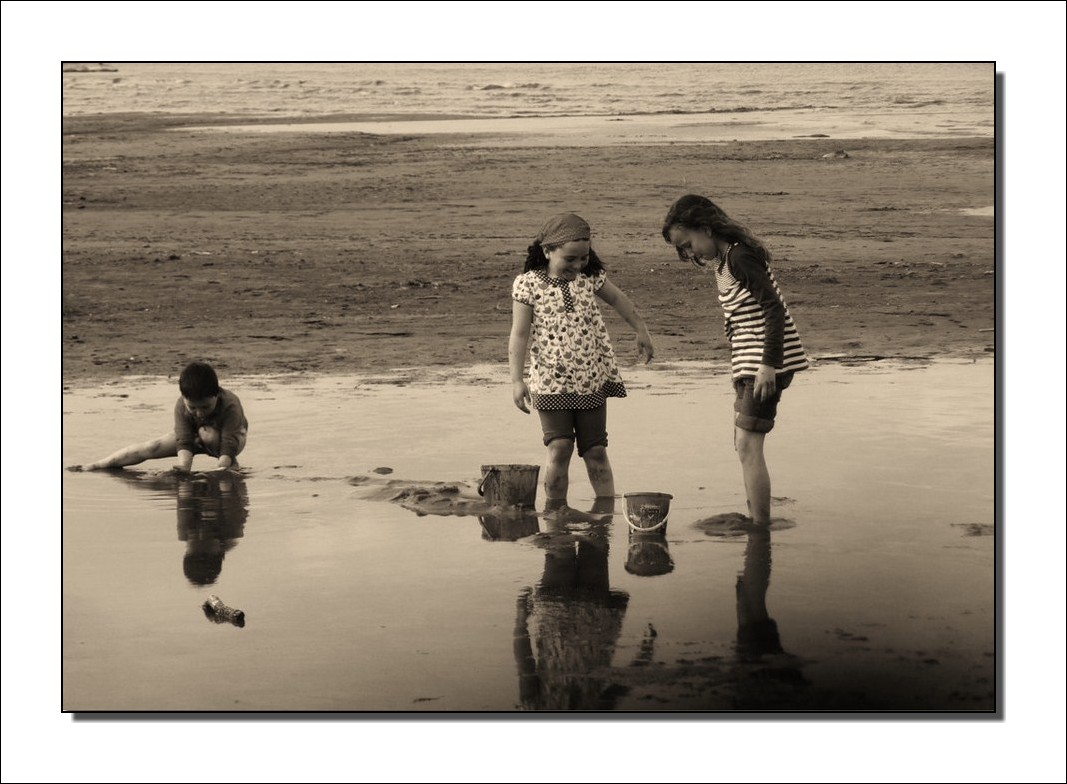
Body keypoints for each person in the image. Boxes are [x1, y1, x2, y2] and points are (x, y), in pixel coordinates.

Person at [662, 195, 808, 526]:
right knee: (743, 443)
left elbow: (774, 308)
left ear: (705, 228)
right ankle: (759, 518)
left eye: (688, 244)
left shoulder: (740, 257)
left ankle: (760, 527)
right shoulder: (724, 261)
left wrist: (769, 364)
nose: (689, 254)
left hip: (764, 364)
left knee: (747, 444)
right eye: (681, 251)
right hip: (749, 362)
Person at [508, 212, 654, 505]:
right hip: (550, 382)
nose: (577, 266)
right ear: (547, 251)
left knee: (596, 450)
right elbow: (519, 334)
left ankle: (605, 516)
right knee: (560, 447)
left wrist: (642, 330)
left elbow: (618, 299)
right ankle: (555, 514)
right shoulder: (527, 284)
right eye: (570, 259)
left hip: (591, 378)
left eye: (583, 258)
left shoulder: (591, 277)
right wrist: (516, 380)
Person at [69, 360, 248, 472]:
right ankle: (98, 464)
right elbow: (184, 439)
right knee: (151, 447)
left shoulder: (230, 404)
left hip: (230, 439)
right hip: (193, 437)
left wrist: (223, 466)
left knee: (207, 433)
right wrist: (184, 468)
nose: (199, 413)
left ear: (216, 395)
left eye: (206, 407)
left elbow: (230, 441)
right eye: (193, 407)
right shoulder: (181, 406)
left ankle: (230, 467)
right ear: (184, 398)